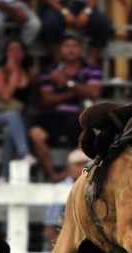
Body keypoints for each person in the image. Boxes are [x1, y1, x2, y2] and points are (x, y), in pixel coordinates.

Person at [29, 31, 102, 182]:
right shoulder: (50, 70)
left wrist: (67, 83)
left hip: (79, 115)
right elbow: (46, 99)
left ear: (80, 49)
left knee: (87, 130)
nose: (71, 49)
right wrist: (74, 92)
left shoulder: (91, 69)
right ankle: (54, 175)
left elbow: (93, 93)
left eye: (74, 46)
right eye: (67, 46)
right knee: (35, 133)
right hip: (54, 116)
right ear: (60, 49)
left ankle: (78, 176)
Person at [0, 38, 37, 183]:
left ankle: (3, 176)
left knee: (9, 131)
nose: (15, 54)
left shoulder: (29, 73)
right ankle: (24, 152)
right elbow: (5, 97)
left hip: (18, 119)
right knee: (12, 117)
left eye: (19, 50)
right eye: (11, 50)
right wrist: (14, 74)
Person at [39, 0, 113, 64]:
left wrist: (86, 12)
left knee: (102, 25)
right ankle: (58, 63)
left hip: (82, 6)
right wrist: (65, 12)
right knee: (50, 25)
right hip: (58, 6)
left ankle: (91, 62)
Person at [0, 0, 41, 66]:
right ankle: (2, 57)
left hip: (18, 4)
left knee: (34, 24)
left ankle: (19, 53)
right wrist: (11, 9)